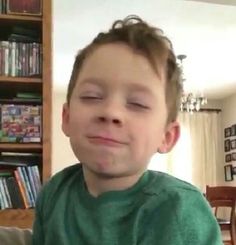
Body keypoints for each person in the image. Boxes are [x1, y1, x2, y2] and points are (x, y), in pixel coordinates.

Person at [32, 15, 222, 245]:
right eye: (92, 96)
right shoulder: (54, 193)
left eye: (138, 104)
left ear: (167, 137)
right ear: (67, 117)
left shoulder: (180, 210)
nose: (111, 112)